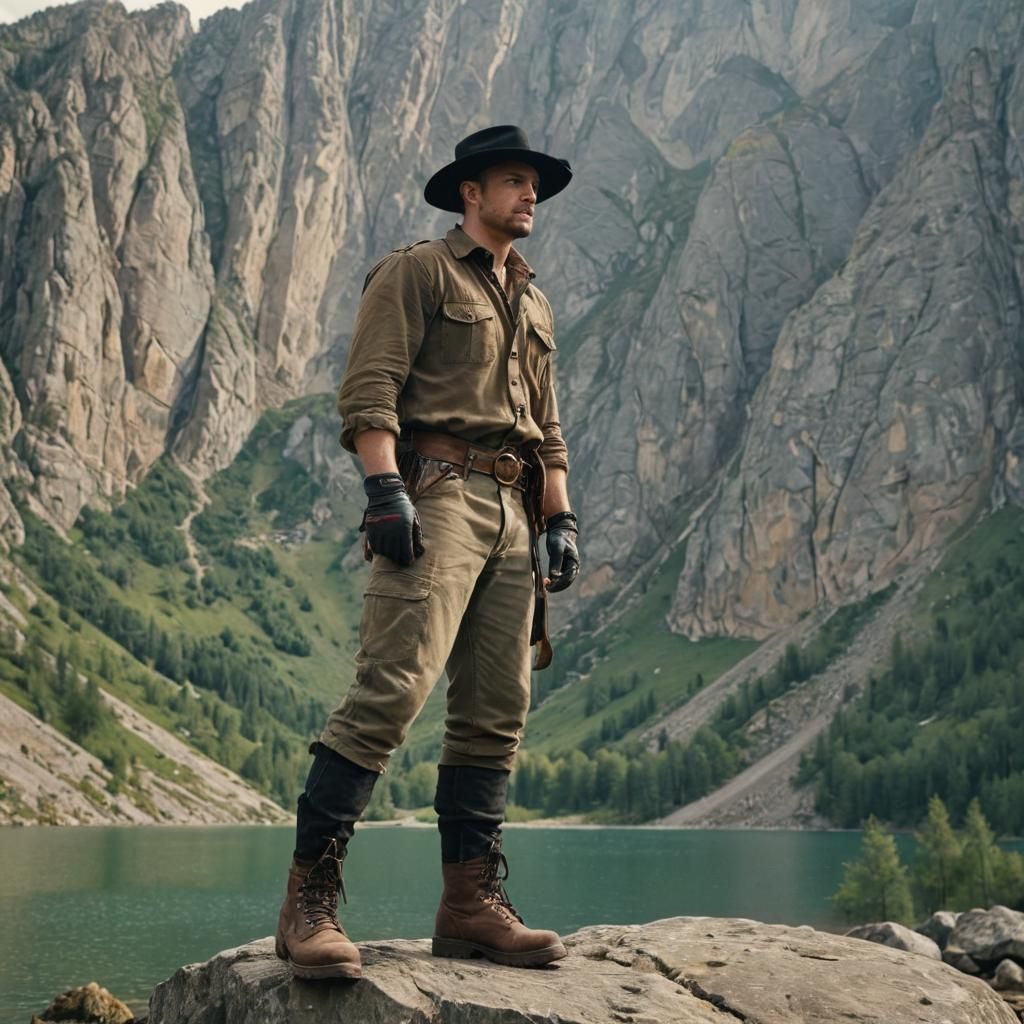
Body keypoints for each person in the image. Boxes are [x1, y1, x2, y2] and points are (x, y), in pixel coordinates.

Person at [275, 125, 580, 980]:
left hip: (514, 511)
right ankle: (307, 905)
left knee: (497, 710)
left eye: (534, 184)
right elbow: (370, 388)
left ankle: (469, 908)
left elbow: (548, 428)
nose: (530, 194)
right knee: (392, 690)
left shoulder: (534, 301)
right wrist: (384, 488)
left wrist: (559, 519)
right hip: (439, 495)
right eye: (513, 180)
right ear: (470, 193)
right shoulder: (417, 272)